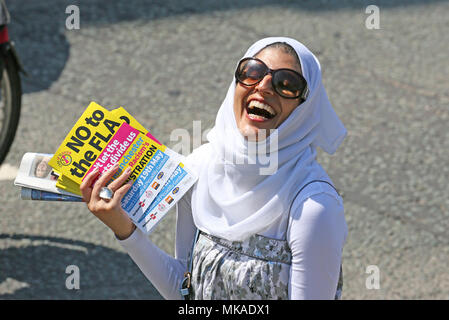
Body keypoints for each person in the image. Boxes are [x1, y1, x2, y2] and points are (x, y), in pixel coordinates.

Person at [80, 37, 348, 300]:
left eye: (286, 84)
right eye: (252, 72)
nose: (264, 87)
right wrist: (125, 230)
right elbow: (186, 291)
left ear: (305, 107)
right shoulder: (201, 167)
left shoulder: (313, 207)